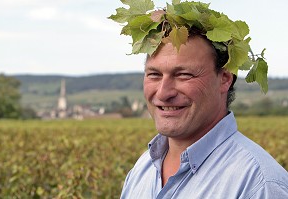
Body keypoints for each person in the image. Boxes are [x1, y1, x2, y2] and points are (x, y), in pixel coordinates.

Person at [108, 1, 288, 198]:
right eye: (154, 74)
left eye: (184, 74)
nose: (163, 93)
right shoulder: (142, 170)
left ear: (225, 79)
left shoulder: (258, 185)